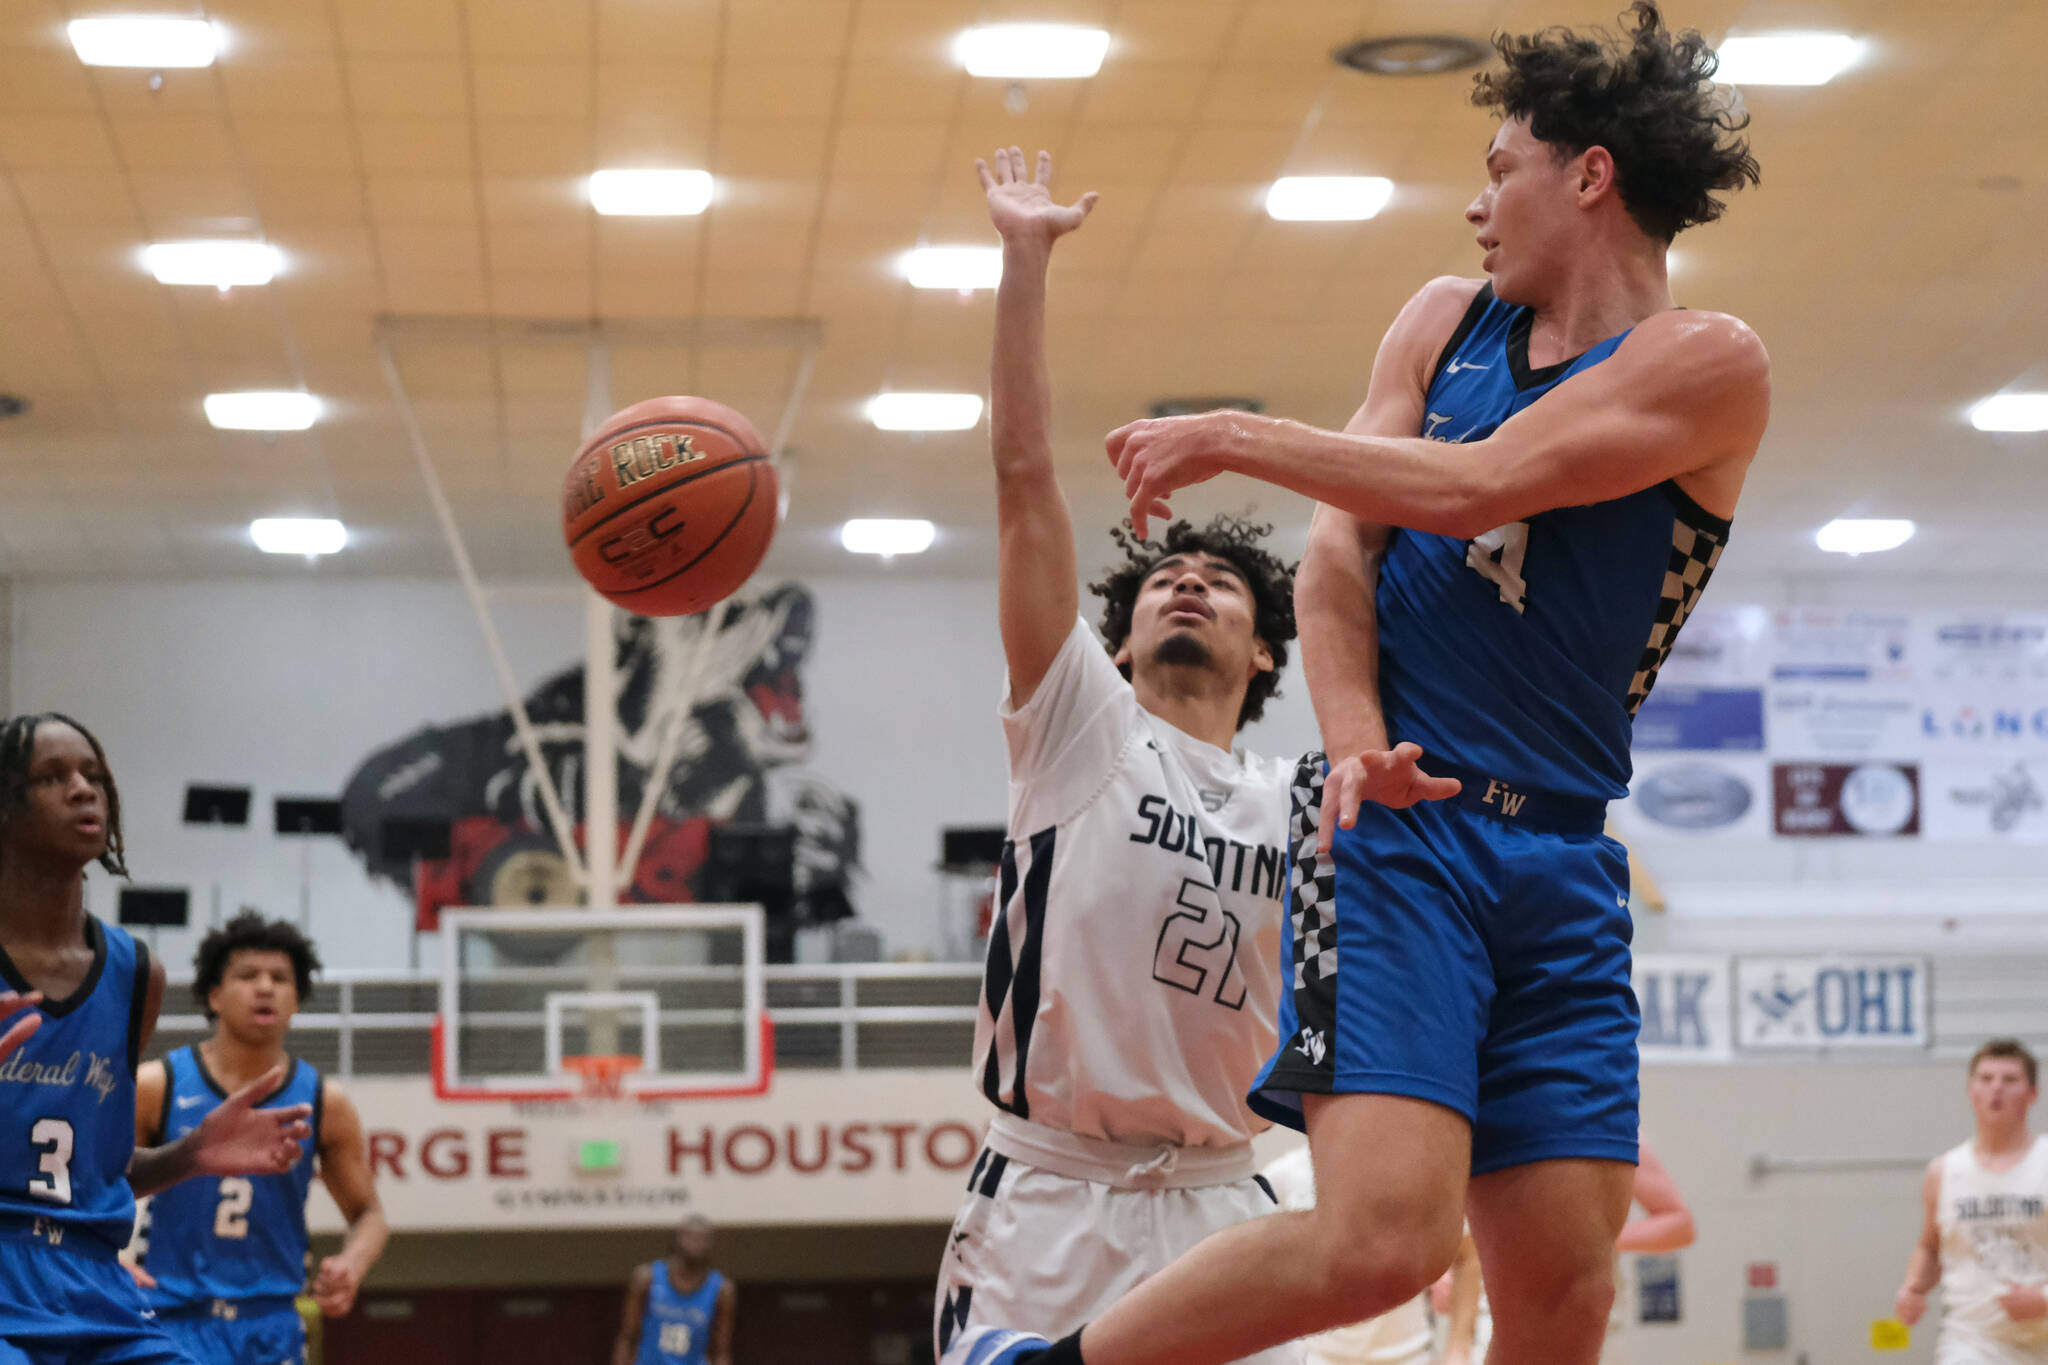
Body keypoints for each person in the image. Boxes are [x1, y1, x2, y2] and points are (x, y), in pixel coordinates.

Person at [949, 6, 1769, 1363]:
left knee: (1567, 1295)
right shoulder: (1445, 327)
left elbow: (1481, 486)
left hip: (1563, 853)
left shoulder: (1708, 363)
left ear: (1590, 174)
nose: (1475, 202)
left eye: (1501, 166)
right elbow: (1340, 556)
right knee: (1382, 1241)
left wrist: (1232, 433)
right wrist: (1353, 743)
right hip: (1404, 830)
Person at [933, 148, 1302, 1364]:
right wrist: (1022, 260)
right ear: (1119, 639)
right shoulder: (1079, 724)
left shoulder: (1299, 805)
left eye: (1221, 582)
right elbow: (1024, 476)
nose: (1188, 583)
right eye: (1163, 580)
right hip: (1050, 1203)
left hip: (1224, 1201)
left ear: (1262, 657)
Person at [0, 712, 312, 1365]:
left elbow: (95, 1172)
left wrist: (193, 1153)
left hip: (92, 1282)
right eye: (52, 777)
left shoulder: (134, 971)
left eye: (95, 776)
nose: (84, 789)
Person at [129, 912, 389, 1365]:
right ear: (215, 994)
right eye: (248, 975)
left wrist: (352, 1264)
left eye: (280, 978)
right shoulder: (157, 1085)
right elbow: (93, 1181)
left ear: (297, 1001)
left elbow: (369, 1215)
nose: (265, 986)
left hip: (271, 1325)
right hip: (171, 1318)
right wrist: (105, 1256)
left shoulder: (325, 1102)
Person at [1437, 1137, 1694, 1365]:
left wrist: (1589, 1241)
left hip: (1586, 1324)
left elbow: (1680, 1224)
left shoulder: (1609, 1125)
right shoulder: (1478, 1121)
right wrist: (1442, 1271)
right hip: (1488, 1322)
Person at [1895, 1039, 2048, 1364]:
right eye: (1986, 1078)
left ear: (2032, 1094)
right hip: (1972, 1341)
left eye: (2009, 1080)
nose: (1996, 1088)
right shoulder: (1944, 1171)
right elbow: (1930, 1247)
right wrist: (1913, 1287)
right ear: (1970, 1090)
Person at [1260, 1144, 1433, 1365]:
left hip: (1407, 1354)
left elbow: (1467, 1255)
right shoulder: (1284, 1174)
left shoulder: (1414, 1170)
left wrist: (1459, 1347)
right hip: (1318, 1357)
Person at [613, 1216, 735, 1365]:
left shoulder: (721, 1290)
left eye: (702, 1239)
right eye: (690, 1237)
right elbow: (628, 1336)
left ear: (711, 1244)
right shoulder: (647, 1279)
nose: (695, 1243)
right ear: (677, 1239)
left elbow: (720, 1350)